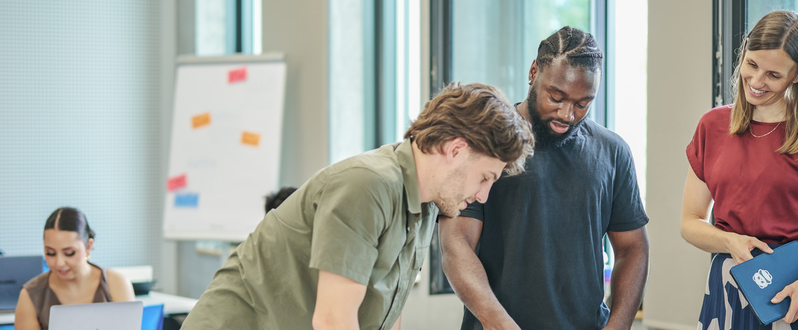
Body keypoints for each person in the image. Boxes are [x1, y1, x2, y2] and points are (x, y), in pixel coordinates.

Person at [179, 82, 535, 330]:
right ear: (455, 150)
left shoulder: (427, 206)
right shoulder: (368, 186)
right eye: (485, 177)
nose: (483, 195)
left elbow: (386, 313)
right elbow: (334, 322)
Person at [440, 26, 650, 329]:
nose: (567, 114)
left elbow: (633, 248)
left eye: (582, 104)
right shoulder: (487, 144)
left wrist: (617, 325)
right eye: (556, 97)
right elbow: (456, 244)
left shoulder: (613, 152)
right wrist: (497, 322)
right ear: (533, 72)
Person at [680, 10, 798, 329]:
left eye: (773, 74)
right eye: (751, 65)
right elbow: (690, 221)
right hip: (729, 288)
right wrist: (729, 242)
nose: (755, 81)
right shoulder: (712, 126)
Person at [14, 207, 136, 330]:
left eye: (69, 253)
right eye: (50, 252)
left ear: (88, 246)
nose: (59, 263)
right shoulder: (31, 294)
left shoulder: (116, 284)